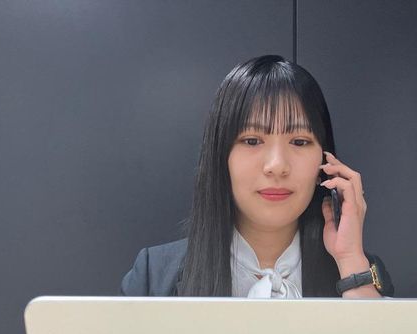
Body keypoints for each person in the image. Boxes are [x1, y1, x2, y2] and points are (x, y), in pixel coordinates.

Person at [120, 54, 394, 299]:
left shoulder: (361, 270)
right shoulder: (153, 276)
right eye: (252, 141)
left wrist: (350, 262)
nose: (277, 166)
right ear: (221, 157)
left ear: (324, 163)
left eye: (299, 142)